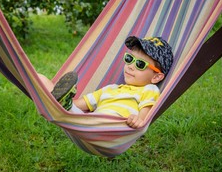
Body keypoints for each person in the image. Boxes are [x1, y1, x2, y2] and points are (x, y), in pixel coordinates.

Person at [39, 36, 174, 129]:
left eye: (140, 64)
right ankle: (58, 103)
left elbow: (143, 118)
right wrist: (57, 105)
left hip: (111, 128)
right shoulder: (110, 89)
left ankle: (61, 106)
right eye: (129, 58)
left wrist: (137, 120)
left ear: (156, 77)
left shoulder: (149, 89)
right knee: (41, 80)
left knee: (76, 113)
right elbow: (80, 104)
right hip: (87, 123)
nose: (130, 66)